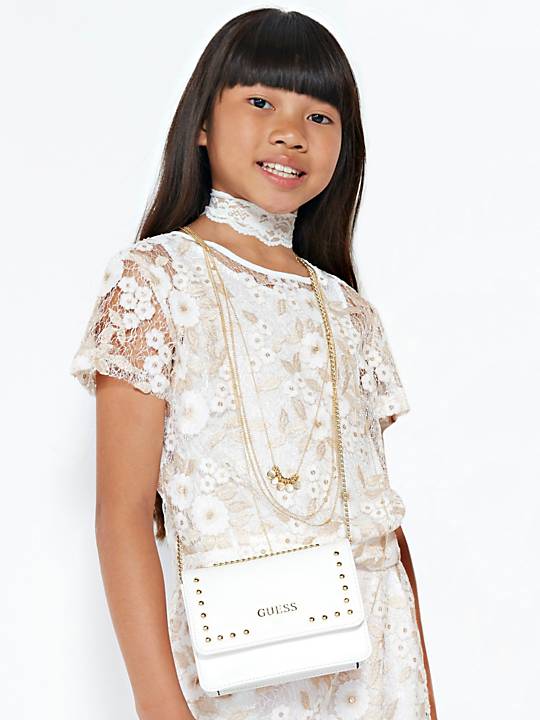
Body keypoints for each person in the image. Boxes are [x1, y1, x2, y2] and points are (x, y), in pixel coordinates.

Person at [70, 8, 437, 720]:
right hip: (235, 678)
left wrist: (421, 694)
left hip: (376, 676)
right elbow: (121, 516)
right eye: (261, 102)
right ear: (202, 123)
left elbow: (381, 528)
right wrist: (159, 705)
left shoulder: (350, 313)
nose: (290, 132)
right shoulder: (156, 281)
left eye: (320, 116)